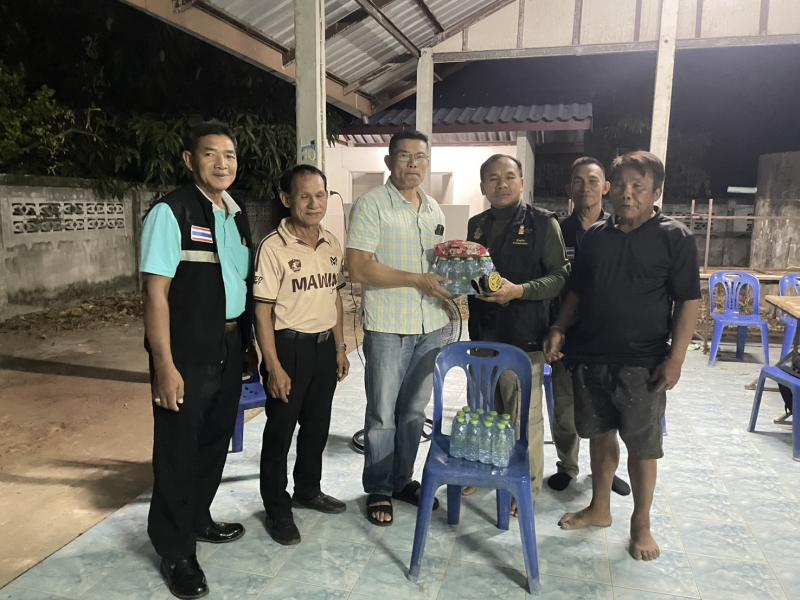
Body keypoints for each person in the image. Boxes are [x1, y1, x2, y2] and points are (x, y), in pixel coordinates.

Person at [544, 150, 700, 561]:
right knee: (599, 434)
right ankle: (600, 508)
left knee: (643, 446)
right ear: (610, 190)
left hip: (643, 363)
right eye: (623, 186)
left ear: (656, 192)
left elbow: (688, 301)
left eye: (639, 187)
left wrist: (676, 359)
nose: (628, 194)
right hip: (590, 356)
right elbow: (577, 292)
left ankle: (641, 523)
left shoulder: (675, 237)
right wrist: (559, 328)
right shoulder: (596, 237)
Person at [140, 120, 255, 599]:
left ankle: (198, 517)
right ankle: (175, 550)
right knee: (177, 451)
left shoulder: (236, 214)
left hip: (228, 346)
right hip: (185, 353)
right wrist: (164, 365)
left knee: (213, 441)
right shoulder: (172, 213)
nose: (222, 163)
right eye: (210, 154)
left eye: (229, 155)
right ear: (190, 160)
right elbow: (155, 294)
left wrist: (246, 347)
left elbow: (239, 284)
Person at [346, 130, 450, 526]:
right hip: (389, 326)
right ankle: (378, 487)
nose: (413, 164)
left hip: (432, 325)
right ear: (390, 162)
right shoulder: (372, 205)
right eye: (405, 156)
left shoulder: (433, 208)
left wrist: (453, 278)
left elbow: (436, 265)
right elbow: (359, 267)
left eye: (420, 157)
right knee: (382, 414)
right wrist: (416, 280)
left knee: (413, 412)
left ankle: (403, 480)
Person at [253, 164, 350, 545]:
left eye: (320, 195)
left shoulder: (331, 243)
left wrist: (340, 346)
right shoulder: (272, 247)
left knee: (317, 426)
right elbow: (262, 310)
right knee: (280, 431)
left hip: (324, 348)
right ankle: (277, 508)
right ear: (286, 199)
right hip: (288, 349)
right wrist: (273, 365)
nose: (314, 203)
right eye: (304, 196)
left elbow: (335, 297)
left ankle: (308, 490)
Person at [466, 153, 569, 502]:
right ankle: (487, 472)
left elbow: (560, 277)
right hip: (483, 335)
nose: (502, 184)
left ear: (522, 182)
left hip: (523, 338)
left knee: (522, 416)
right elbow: (473, 273)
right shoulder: (476, 225)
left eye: (509, 176)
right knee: (487, 412)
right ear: (483, 186)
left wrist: (520, 291)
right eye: (493, 178)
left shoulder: (543, 223)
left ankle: (525, 487)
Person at [547, 157, 631, 496]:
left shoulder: (621, 230)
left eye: (593, 181)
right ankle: (567, 465)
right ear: (569, 188)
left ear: (606, 187)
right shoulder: (556, 230)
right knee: (564, 406)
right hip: (566, 333)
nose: (586, 187)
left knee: (607, 408)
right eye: (578, 181)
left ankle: (605, 472)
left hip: (605, 336)